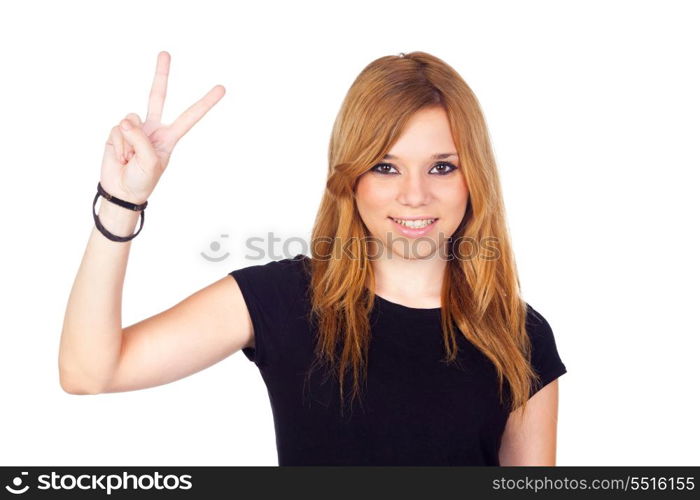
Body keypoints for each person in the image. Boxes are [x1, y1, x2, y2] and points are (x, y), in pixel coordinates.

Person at [59, 50, 567, 467]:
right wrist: (123, 202)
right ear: (352, 176)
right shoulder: (285, 300)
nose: (415, 195)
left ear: (473, 176)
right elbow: (88, 372)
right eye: (386, 165)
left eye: (441, 167)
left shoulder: (519, 336)